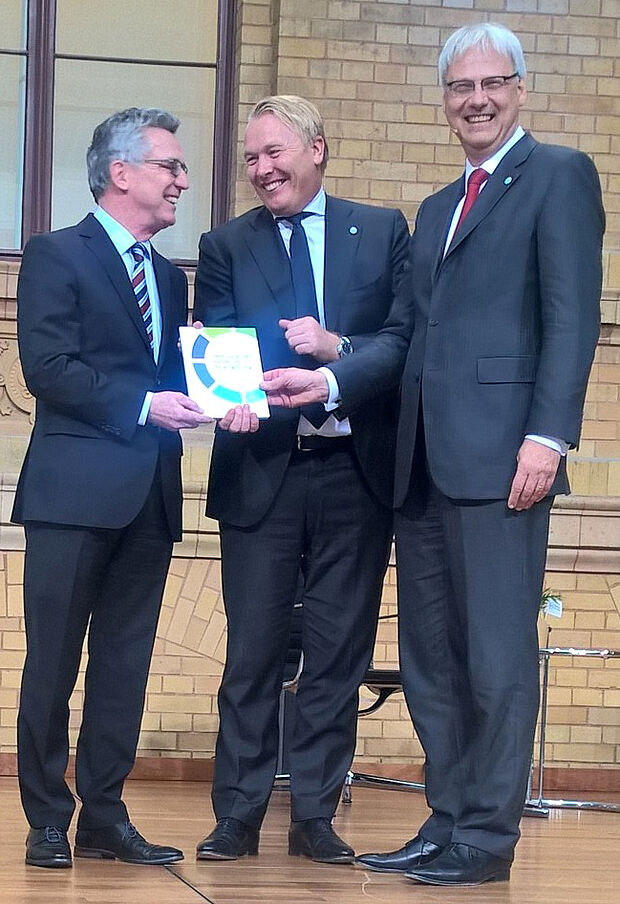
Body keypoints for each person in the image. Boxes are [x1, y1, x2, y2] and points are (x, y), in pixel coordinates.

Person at [350, 23, 604, 886]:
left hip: (504, 463)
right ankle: (447, 817)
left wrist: (548, 435)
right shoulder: (435, 208)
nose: (477, 99)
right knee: (431, 661)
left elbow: (571, 317)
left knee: (496, 658)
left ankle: (488, 838)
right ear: (445, 101)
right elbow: (410, 336)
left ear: (520, 89)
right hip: (422, 464)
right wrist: (335, 367)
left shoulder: (558, 176)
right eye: (462, 87)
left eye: (493, 83)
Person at [193, 95, 411, 864]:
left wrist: (335, 350)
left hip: (356, 471)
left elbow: (401, 341)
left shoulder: (380, 231)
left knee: (338, 653)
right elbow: (219, 344)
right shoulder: (224, 244)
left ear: (317, 149)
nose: (261, 169)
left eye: (274, 153)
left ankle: (315, 815)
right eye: (251, 158)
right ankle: (237, 815)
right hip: (261, 469)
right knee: (252, 652)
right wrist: (227, 398)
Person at [14, 107, 210, 868]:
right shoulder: (56, 253)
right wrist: (144, 406)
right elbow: (49, 369)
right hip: (72, 495)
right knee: (53, 664)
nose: (182, 180)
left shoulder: (168, 275)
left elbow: (172, 377)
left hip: (150, 495)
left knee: (123, 669)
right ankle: (45, 819)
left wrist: (224, 394)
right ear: (120, 172)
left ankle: (104, 817)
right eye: (170, 166)